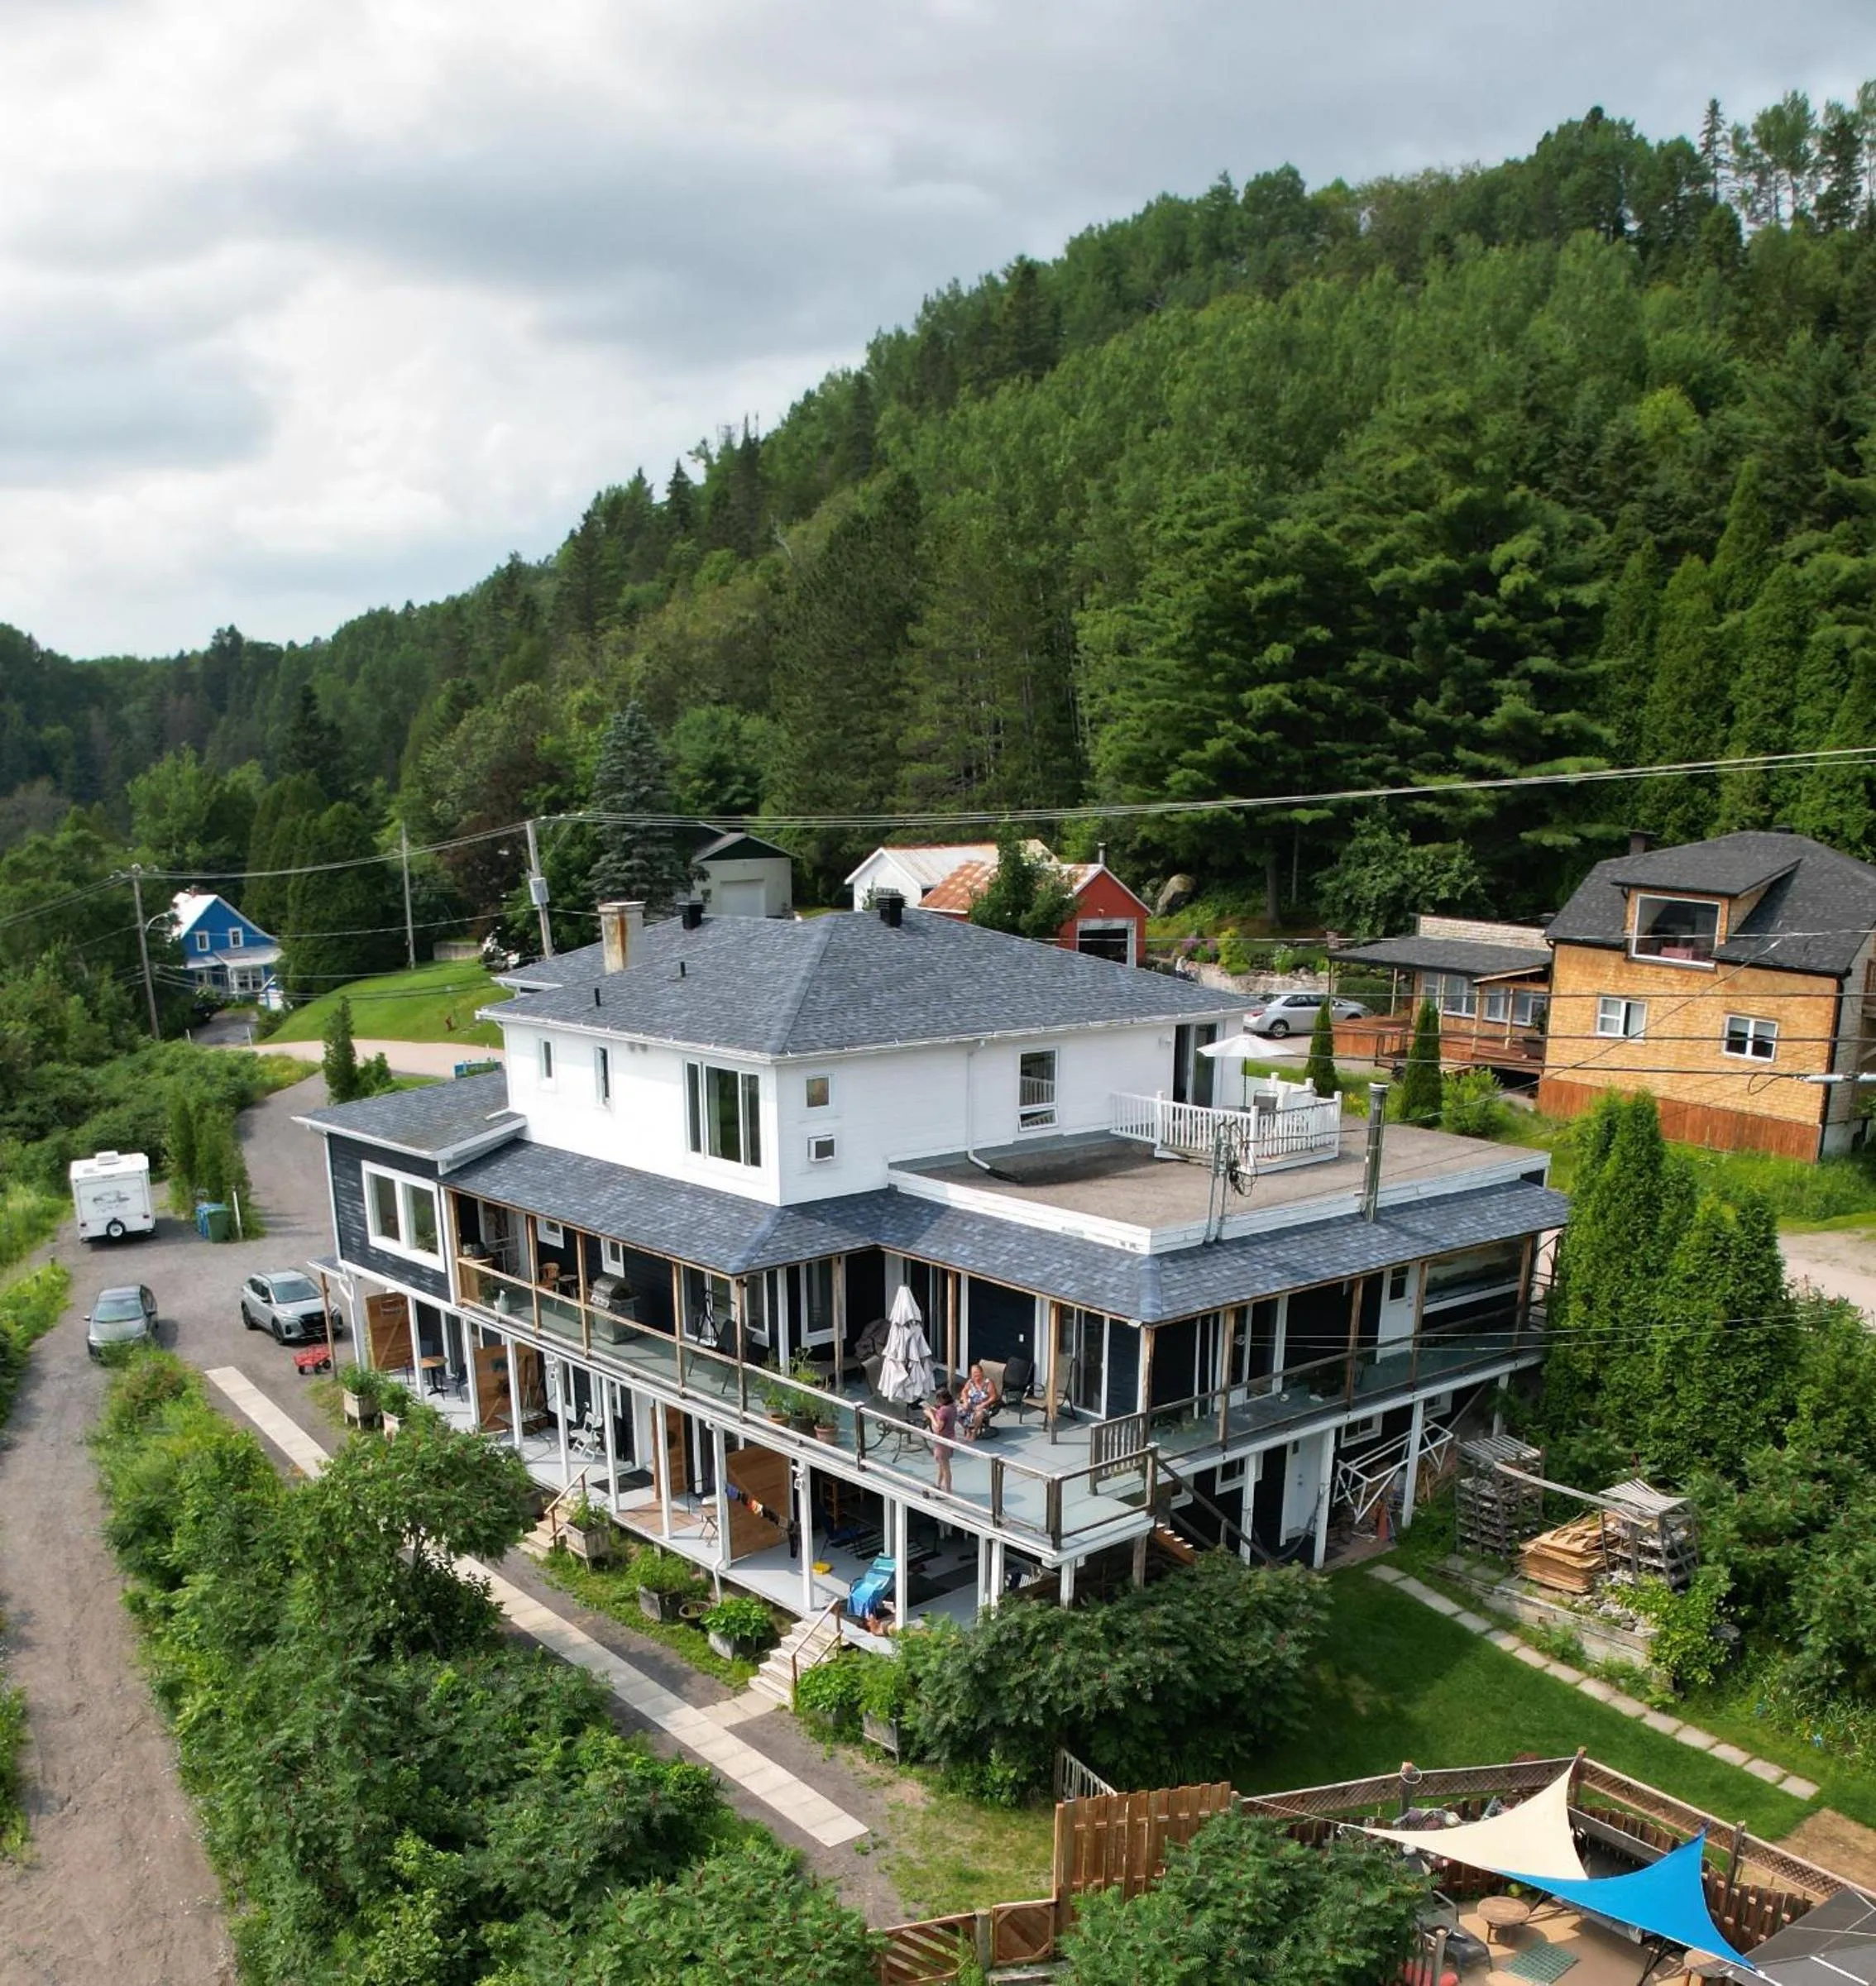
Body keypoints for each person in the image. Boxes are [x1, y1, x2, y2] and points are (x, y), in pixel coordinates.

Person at [926, 1387, 957, 1491]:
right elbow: (944, 1416)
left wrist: (931, 1416)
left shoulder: (944, 1411)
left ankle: (948, 1491)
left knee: (945, 1467)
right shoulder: (952, 1407)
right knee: (942, 1464)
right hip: (951, 1438)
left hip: (943, 1441)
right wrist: (935, 1411)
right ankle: (938, 1485)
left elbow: (938, 1428)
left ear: (943, 1399)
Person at [957, 1361, 998, 1438]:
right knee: (956, 1411)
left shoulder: (988, 1383)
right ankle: (968, 1430)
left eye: (977, 1372)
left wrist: (983, 1405)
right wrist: (965, 1402)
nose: (975, 1374)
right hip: (970, 1404)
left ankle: (975, 1432)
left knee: (979, 1414)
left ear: (982, 1373)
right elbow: (964, 1391)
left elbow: (994, 1397)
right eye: (973, 1373)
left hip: (983, 1407)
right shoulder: (970, 1382)